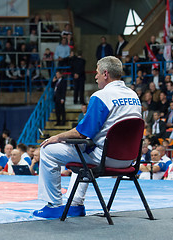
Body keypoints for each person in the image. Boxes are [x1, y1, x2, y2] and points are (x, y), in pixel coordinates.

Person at [33, 56, 142, 218]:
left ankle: (53, 205)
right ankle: (75, 204)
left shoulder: (102, 96)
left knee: (48, 150)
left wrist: (57, 137)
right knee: (83, 150)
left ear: (105, 73)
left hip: (105, 158)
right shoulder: (134, 97)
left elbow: (82, 133)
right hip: (128, 159)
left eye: (97, 73)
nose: (95, 76)